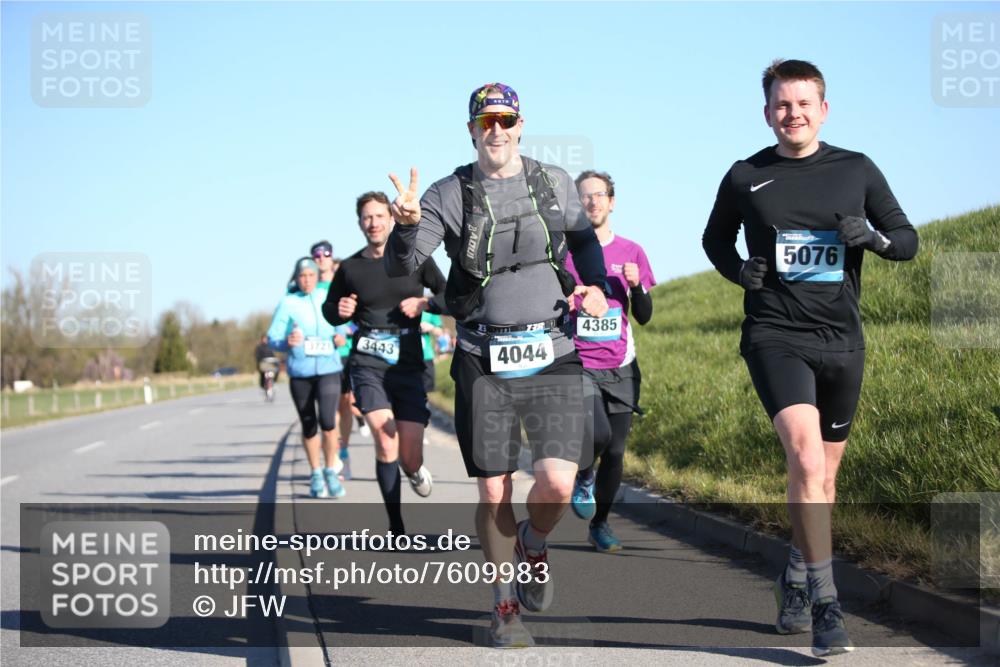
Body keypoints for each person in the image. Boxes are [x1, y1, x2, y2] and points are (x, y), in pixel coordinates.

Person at [702, 59, 918, 657]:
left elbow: (906, 240)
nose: (791, 114)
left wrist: (871, 238)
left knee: (825, 477)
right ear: (766, 111)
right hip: (775, 333)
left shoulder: (856, 169)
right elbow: (714, 240)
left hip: (842, 340)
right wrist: (738, 271)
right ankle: (827, 605)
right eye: (781, 104)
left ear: (823, 109)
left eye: (803, 104)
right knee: (803, 457)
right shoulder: (747, 176)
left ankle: (796, 575)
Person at [385, 82, 610, 648]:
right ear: (470, 130)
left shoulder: (553, 182)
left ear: (520, 124)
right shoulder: (446, 192)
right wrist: (408, 224)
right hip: (483, 357)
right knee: (493, 493)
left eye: (505, 120)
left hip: (552, 351)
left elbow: (584, 245)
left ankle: (534, 543)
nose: (496, 131)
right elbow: (402, 265)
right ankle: (504, 606)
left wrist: (599, 286)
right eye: (485, 122)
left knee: (557, 484)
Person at [323, 191, 447, 535]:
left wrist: (426, 307)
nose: (374, 223)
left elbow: (449, 295)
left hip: (409, 360)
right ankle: (396, 525)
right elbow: (330, 309)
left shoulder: (417, 260)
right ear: (360, 223)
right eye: (367, 217)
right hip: (368, 360)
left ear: (392, 220)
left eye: (380, 216)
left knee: (409, 453)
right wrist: (339, 312)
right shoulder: (350, 268)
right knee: (383, 434)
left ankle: (414, 469)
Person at [566, 170, 655, 553]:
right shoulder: (565, 255)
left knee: (616, 451)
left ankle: (600, 524)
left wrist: (636, 287)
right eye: (584, 196)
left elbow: (646, 315)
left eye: (599, 194)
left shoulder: (632, 252)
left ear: (612, 201)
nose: (592, 202)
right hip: (578, 361)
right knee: (596, 433)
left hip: (621, 363)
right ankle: (583, 473)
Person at [268, 257, 347, 499]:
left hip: (328, 369)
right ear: (296, 278)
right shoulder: (288, 302)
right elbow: (273, 337)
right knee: (309, 424)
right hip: (300, 372)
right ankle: (315, 472)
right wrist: (285, 342)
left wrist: (340, 336)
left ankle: (331, 469)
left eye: (311, 276)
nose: (307, 280)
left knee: (328, 421)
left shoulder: (327, 295)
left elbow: (341, 323)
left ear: (317, 276)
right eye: (302, 276)